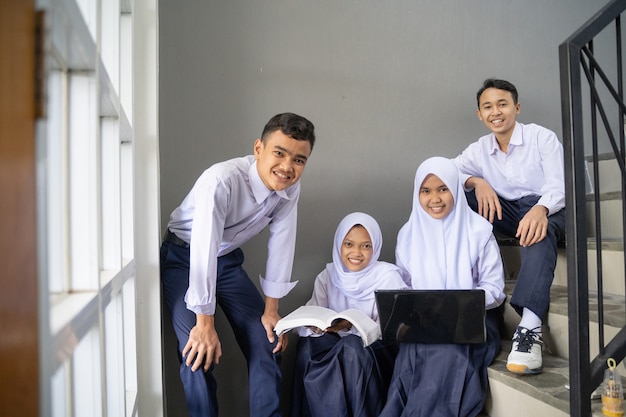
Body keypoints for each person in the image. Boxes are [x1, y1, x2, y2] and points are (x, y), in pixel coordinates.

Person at [160, 112, 315, 417]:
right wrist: (204, 324)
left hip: (226, 262)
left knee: (268, 340)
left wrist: (272, 310)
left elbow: (282, 245)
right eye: (279, 153)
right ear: (259, 148)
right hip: (184, 258)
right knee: (196, 351)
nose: (287, 167)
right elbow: (203, 250)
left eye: (299, 160)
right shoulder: (222, 181)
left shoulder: (288, 188)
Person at [452, 78, 566, 375]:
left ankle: (529, 326)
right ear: (479, 114)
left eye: (502, 104)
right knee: (458, 194)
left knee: (536, 229)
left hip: (552, 210)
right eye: (487, 107)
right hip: (511, 211)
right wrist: (477, 182)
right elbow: (449, 169)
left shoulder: (542, 138)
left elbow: (560, 186)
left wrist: (541, 209)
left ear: (516, 107)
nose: (496, 112)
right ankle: (460, 280)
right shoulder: (480, 149)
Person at [379, 157, 506, 417]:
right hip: (425, 322)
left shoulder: (479, 231)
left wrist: (459, 305)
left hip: (475, 321)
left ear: (455, 190)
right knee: (415, 348)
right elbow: (405, 287)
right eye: (426, 191)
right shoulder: (408, 235)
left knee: (445, 349)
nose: (434, 198)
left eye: (443, 189)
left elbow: (495, 289)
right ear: (417, 194)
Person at [288, 212, 408, 417]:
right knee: (307, 348)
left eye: (366, 245)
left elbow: (393, 328)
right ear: (339, 245)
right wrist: (315, 327)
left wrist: (350, 326)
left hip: (375, 353)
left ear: (375, 247)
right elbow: (313, 311)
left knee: (351, 347)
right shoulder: (328, 276)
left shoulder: (388, 277)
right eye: (349, 244)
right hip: (338, 349)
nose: (357, 252)